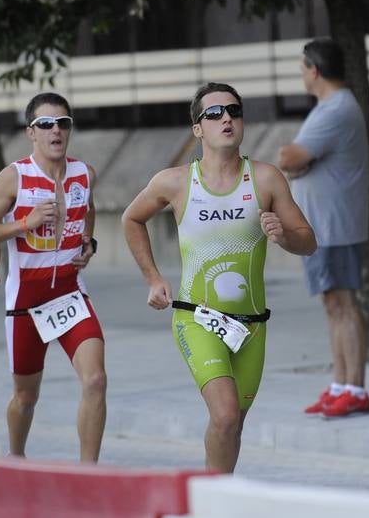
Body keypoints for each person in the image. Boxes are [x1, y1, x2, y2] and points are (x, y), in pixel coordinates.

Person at [123, 82, 316, 472]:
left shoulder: (265, 179)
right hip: (197, 318)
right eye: (214, 114)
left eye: (234, 111)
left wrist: (283, 235)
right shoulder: (175, 181)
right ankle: (210, 498)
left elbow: (308, 241)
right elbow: (131, 218)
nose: (226, 118)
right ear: (198, 128)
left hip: (251, 326)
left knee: (233, 423)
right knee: (226, 414)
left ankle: (218, 490)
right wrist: (153, 277)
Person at [0, 93, 105, 460]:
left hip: (70, 293)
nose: (56, 130)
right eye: (46, 124)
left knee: (96, 381)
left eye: (63, 123)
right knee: (26, 397)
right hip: (26, 302)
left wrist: (89, 241)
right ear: (30, 133)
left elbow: (90, 208)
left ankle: (88, 473)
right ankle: (16, 458)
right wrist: (24, 224)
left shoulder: (85, 173)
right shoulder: (14, 177)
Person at [277, 37, 369, 419]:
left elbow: (289, 156)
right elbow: (297, 162)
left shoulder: (336, 109)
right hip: (322, 225)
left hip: (334, 226)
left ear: (314, 70)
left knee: (344, 304)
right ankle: (340, 384)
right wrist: (301, 164)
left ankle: (356, 388)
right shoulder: (330, 108)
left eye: (302, 68)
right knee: (333, 304)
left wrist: (299, 163)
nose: (301, 75)